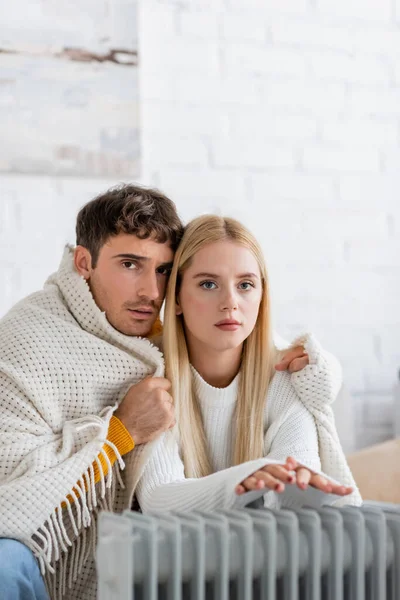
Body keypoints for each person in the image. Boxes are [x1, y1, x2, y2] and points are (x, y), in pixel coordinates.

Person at [0, 185, 323, 600]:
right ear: (84, 263)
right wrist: (120, 432)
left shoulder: (158, 332)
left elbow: (253, 334)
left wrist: (322, 368)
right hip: (30, 545)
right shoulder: (29, 338)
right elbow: (10, 485)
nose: (151, 292)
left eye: (163, 270)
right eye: (130, 264)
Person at [135, 215, 362, 513]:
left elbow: (295, 490)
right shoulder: (150, 380)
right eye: (208, 284)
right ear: (175, 298)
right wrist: (247, 479)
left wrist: (296, 486)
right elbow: (159, 498)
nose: (230, 302)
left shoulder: (288, 378)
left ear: (261, 296)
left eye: (245, 284)